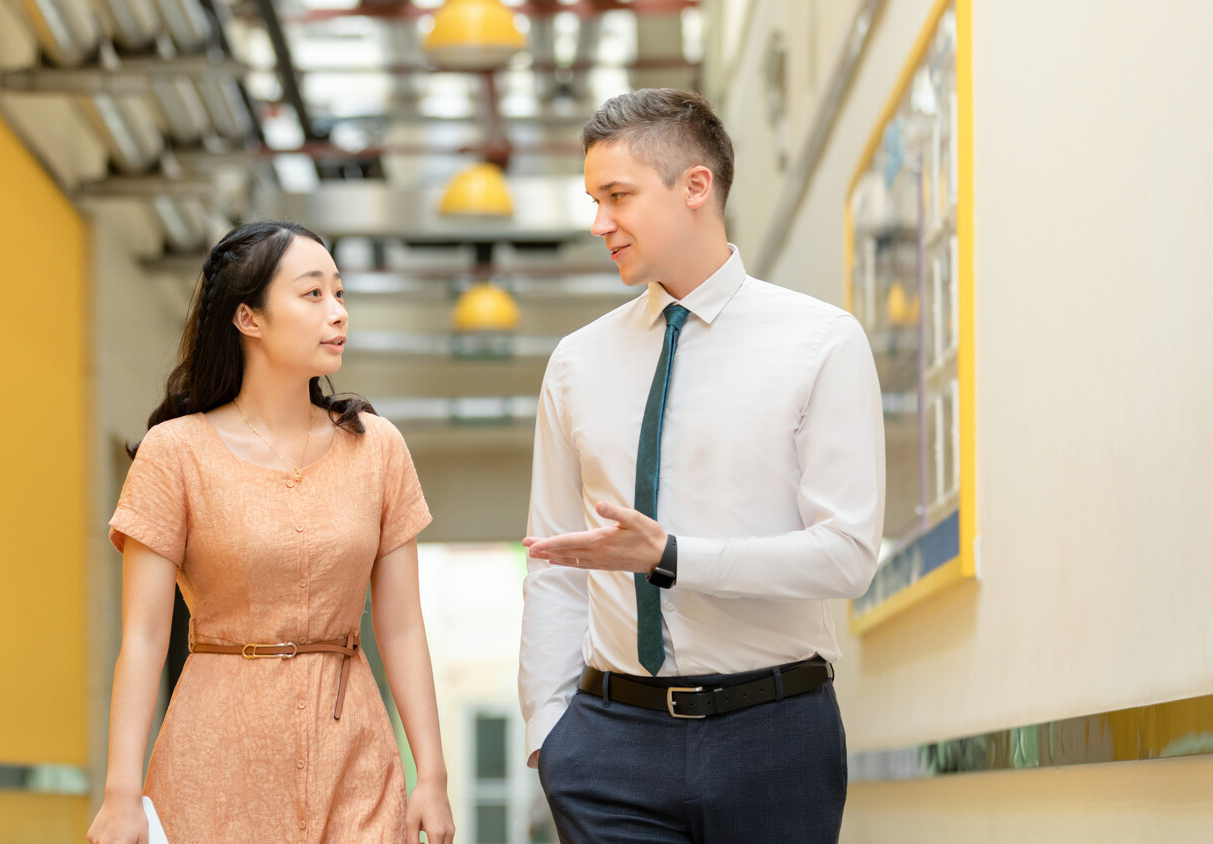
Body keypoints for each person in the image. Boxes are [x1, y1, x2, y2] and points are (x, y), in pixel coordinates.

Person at [518, 89, 885, 842]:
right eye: (593, 199)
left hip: (774, 733)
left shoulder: (822, 342)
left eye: (617, 195)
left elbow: (846, 554)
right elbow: (554, 560)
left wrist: (673, 558)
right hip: (608, 744)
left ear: (695, 186)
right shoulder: (576, 363)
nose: (599, 223)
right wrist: (550, 730)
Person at [88, 221, 455, 844]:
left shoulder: (377, 448)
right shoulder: (174, 453)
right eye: (313, 295)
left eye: (340, 294)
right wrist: (121, 795)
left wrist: (433, 777)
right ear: (248, 319)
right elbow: (146, 640)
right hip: (215, 757)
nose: (337, 313)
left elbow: (401, 627)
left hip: (355, 752)